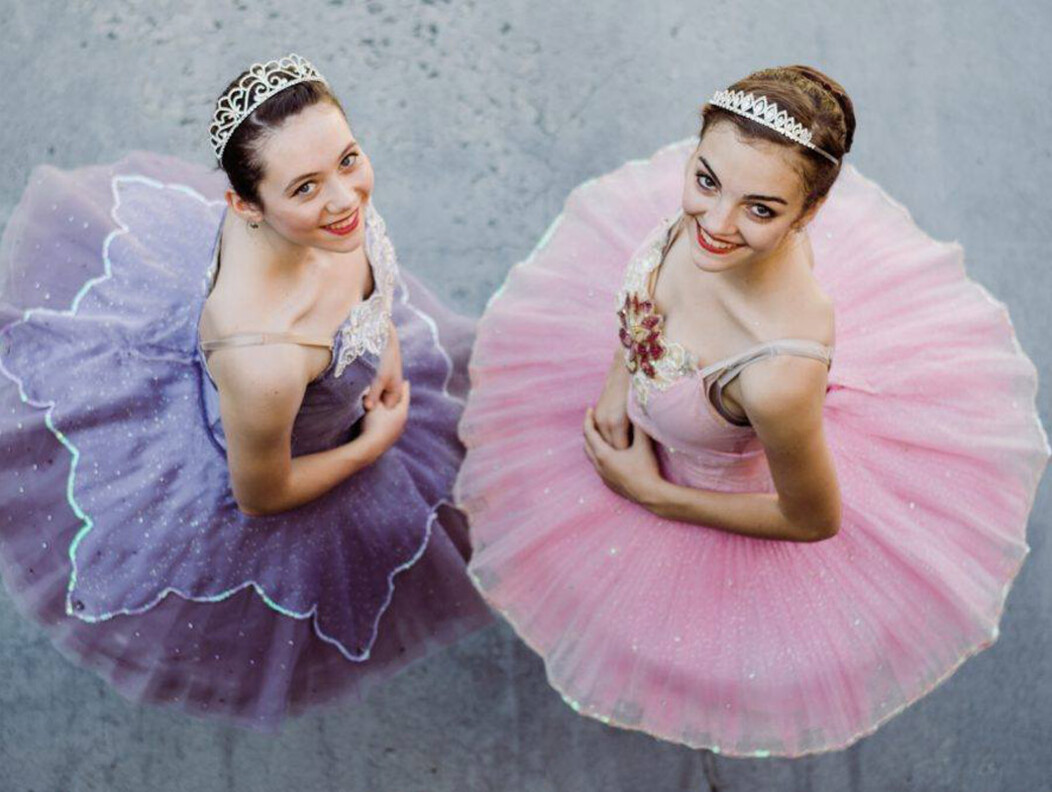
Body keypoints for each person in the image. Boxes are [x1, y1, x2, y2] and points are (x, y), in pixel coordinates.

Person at [456, 65, 1049, 756]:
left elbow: (813, 517)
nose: (715, 223)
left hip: (713, 500)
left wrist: (657, 497)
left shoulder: (777, 376)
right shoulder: (699, 221)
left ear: (808, 216)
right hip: (653, 426)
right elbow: (648, 304)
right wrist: (621, 382)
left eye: (761, 209)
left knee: (703, 677)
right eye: (705, 180)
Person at [0, 53, 488, 730]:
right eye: (306, 187)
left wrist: (386, 344)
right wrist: (372, 445)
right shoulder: (265, 356)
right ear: (245, 204)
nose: (346, 201)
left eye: (348, 160)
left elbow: (368, 276)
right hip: (285, 444)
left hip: (337, 381)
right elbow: (261, 493)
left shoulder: (329, 220)